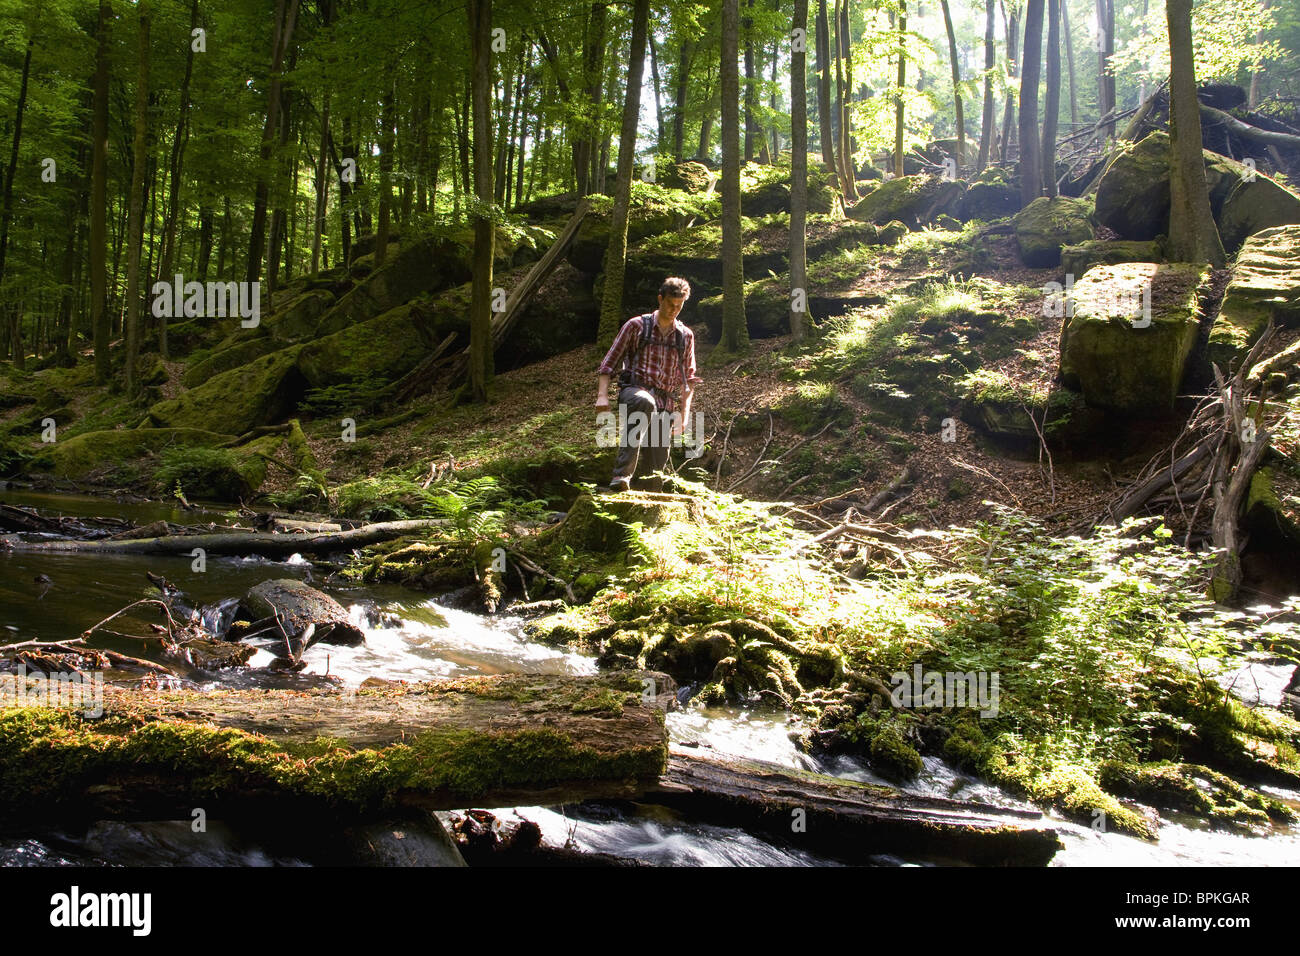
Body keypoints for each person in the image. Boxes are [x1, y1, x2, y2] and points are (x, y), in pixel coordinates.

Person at [595, 276, 702, 492]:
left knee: (656, 468)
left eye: (679, 307)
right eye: (670, 304)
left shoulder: (685, 336)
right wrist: (602, 396)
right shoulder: (635, 326)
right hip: (634, 392)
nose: (674, 310)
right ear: (660, 298)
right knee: (645, 402)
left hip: (665, 403)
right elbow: (608, 364)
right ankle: (621, 476)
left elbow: (688, 380)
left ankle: (650, 502)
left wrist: (685, 414)